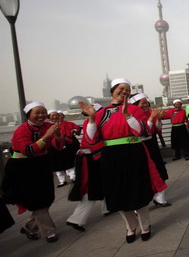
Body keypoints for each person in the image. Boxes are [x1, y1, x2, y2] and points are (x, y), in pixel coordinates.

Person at [81, 78, 166, 243]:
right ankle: (130, 226)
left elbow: (142, 131)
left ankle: (145, 225)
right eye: (121, 88)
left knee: (137, 191)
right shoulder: (100, 113)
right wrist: (91, 119)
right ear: (112, 90)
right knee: (117, 194)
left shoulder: (134, 109)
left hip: (133, 153)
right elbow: (91, 139)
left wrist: (127, 115)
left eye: (127, 89)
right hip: (111, 157)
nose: (125, 91)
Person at [1, 102, 63, 242]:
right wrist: (46, 136)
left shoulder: (48, 126)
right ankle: (49, 232)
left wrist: (58, 134)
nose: (41, 115)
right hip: (22, 167)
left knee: (46, 199)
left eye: (43, 112)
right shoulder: (21, 130)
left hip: (41, 165)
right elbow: (28, 151)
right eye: (37, 112)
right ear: (29, 115)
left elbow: (58, 145)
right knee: (36, 200)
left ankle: (29, 227)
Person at [66, 103, 108, 232]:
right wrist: (92, 118)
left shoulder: (96, 122)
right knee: (91, 190)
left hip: (95, 157)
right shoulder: (91, 122)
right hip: (90, 159)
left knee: (105, 183)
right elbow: (91, 136)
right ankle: (76, 219)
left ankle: (108, 207)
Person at [130, 93, 171, 207]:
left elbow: (156, 129)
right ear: (135, 105)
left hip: (152, 143)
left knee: (159, 169)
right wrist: (152, 118)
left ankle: (160, 198)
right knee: (145, 172)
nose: (145, 105)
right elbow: (143, 132)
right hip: (141, 145)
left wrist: (158, 118)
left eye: (146, 102)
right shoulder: (132, 117)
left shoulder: (150, 113)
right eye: (142, 103)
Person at [48, 110, 80, 188]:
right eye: (53, 115)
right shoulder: (46, 126)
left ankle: (73, 177)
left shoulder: (68, 124)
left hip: (66, 145)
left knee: (69, 162)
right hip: (53, 147)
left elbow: (77, 129)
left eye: (56, 115)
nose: (55, 117)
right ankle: (62, 181)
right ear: (48, 117)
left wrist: (74, 131)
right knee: (57, 165)